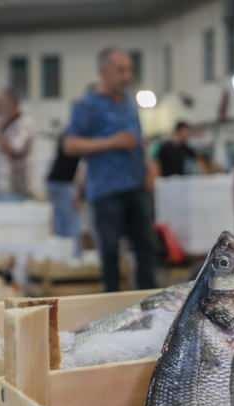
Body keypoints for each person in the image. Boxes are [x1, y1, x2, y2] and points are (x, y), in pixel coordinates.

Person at [64, 47, 157, 292]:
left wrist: (147, 166)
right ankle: (112, 305)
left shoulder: (129, 102)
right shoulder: (86, 105)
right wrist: (111, 142)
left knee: (146, 247)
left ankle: (150, 302)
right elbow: (70, 145)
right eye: (121, 70)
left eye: (129, 70)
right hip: (106, 191)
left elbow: (137, 138)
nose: (127, 76)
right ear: (103, 72)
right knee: (110, 252)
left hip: (136, 186)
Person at [0, 88, 35, 201]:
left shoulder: (25, 123)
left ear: (13, 104)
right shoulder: (4, 125)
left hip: (16, 188)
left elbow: (15, 151)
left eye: (1, 104)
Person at [46, 132, 82, 255]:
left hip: (56, 182)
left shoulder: (67, 134)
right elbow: (80, 169)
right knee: (71, 223)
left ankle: (62, 254)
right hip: (62, 183)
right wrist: (78, 192)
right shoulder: (75, 137)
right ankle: (73, 256)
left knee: (61, 222)